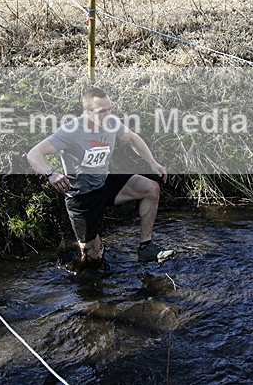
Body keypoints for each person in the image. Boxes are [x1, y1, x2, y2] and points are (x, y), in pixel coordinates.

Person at [27, 87, 175, 267]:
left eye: (110, 109)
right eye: (101, 111)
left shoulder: (112, 123)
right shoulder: (71, 130)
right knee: (92, 256)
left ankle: (146, 247)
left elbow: (133, 138)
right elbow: (34, 154)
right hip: (81, 196)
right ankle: (85, 278)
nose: (107, 115)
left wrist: (152, 162)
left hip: (104, 183)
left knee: (151, 188)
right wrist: (51, 174)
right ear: (87, 111)